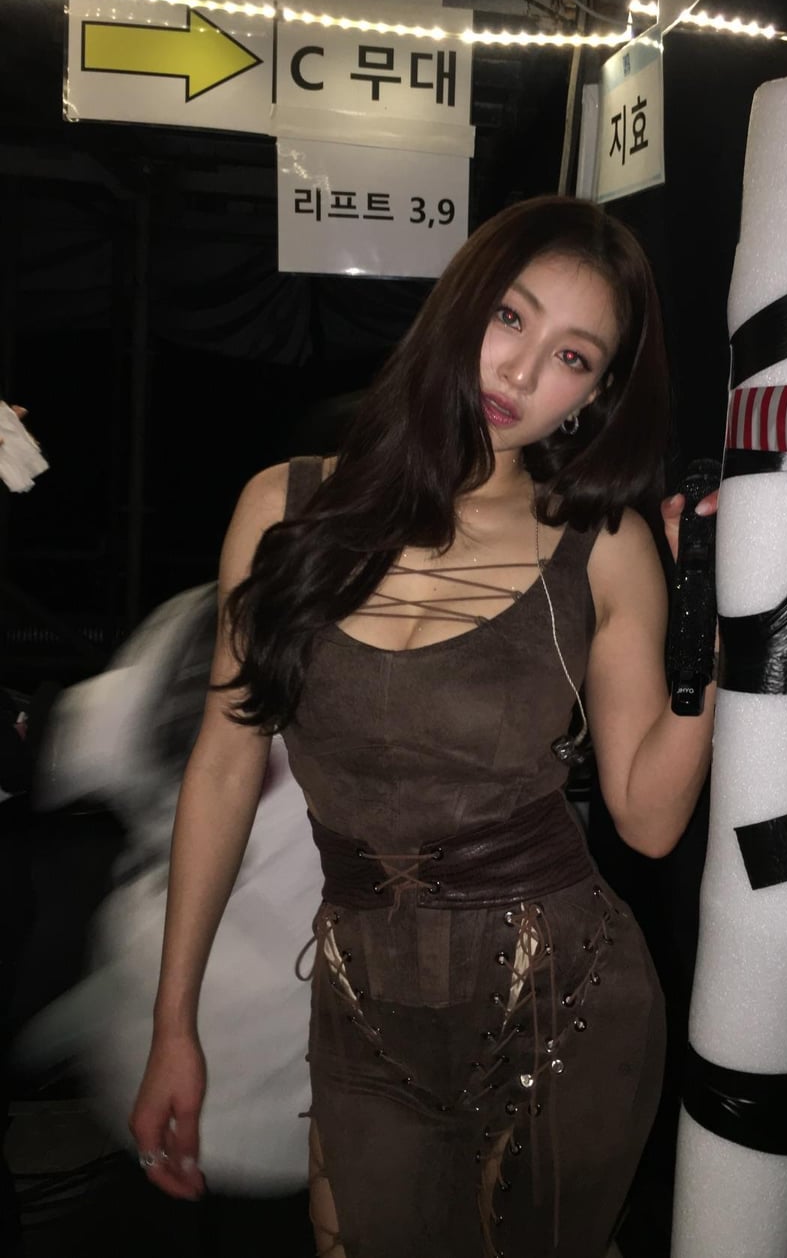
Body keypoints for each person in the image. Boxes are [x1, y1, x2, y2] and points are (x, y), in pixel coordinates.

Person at [129, 195, 717, 1258]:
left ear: (595, 394)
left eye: (572, 356)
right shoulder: (284, 507)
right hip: (365, 1002)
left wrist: (711, 637)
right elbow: (223, 764)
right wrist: (176, 1024)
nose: (521, 371)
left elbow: (649, 817)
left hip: (566, 999)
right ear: (461, 303)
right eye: (510, 317)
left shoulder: (600, 543)